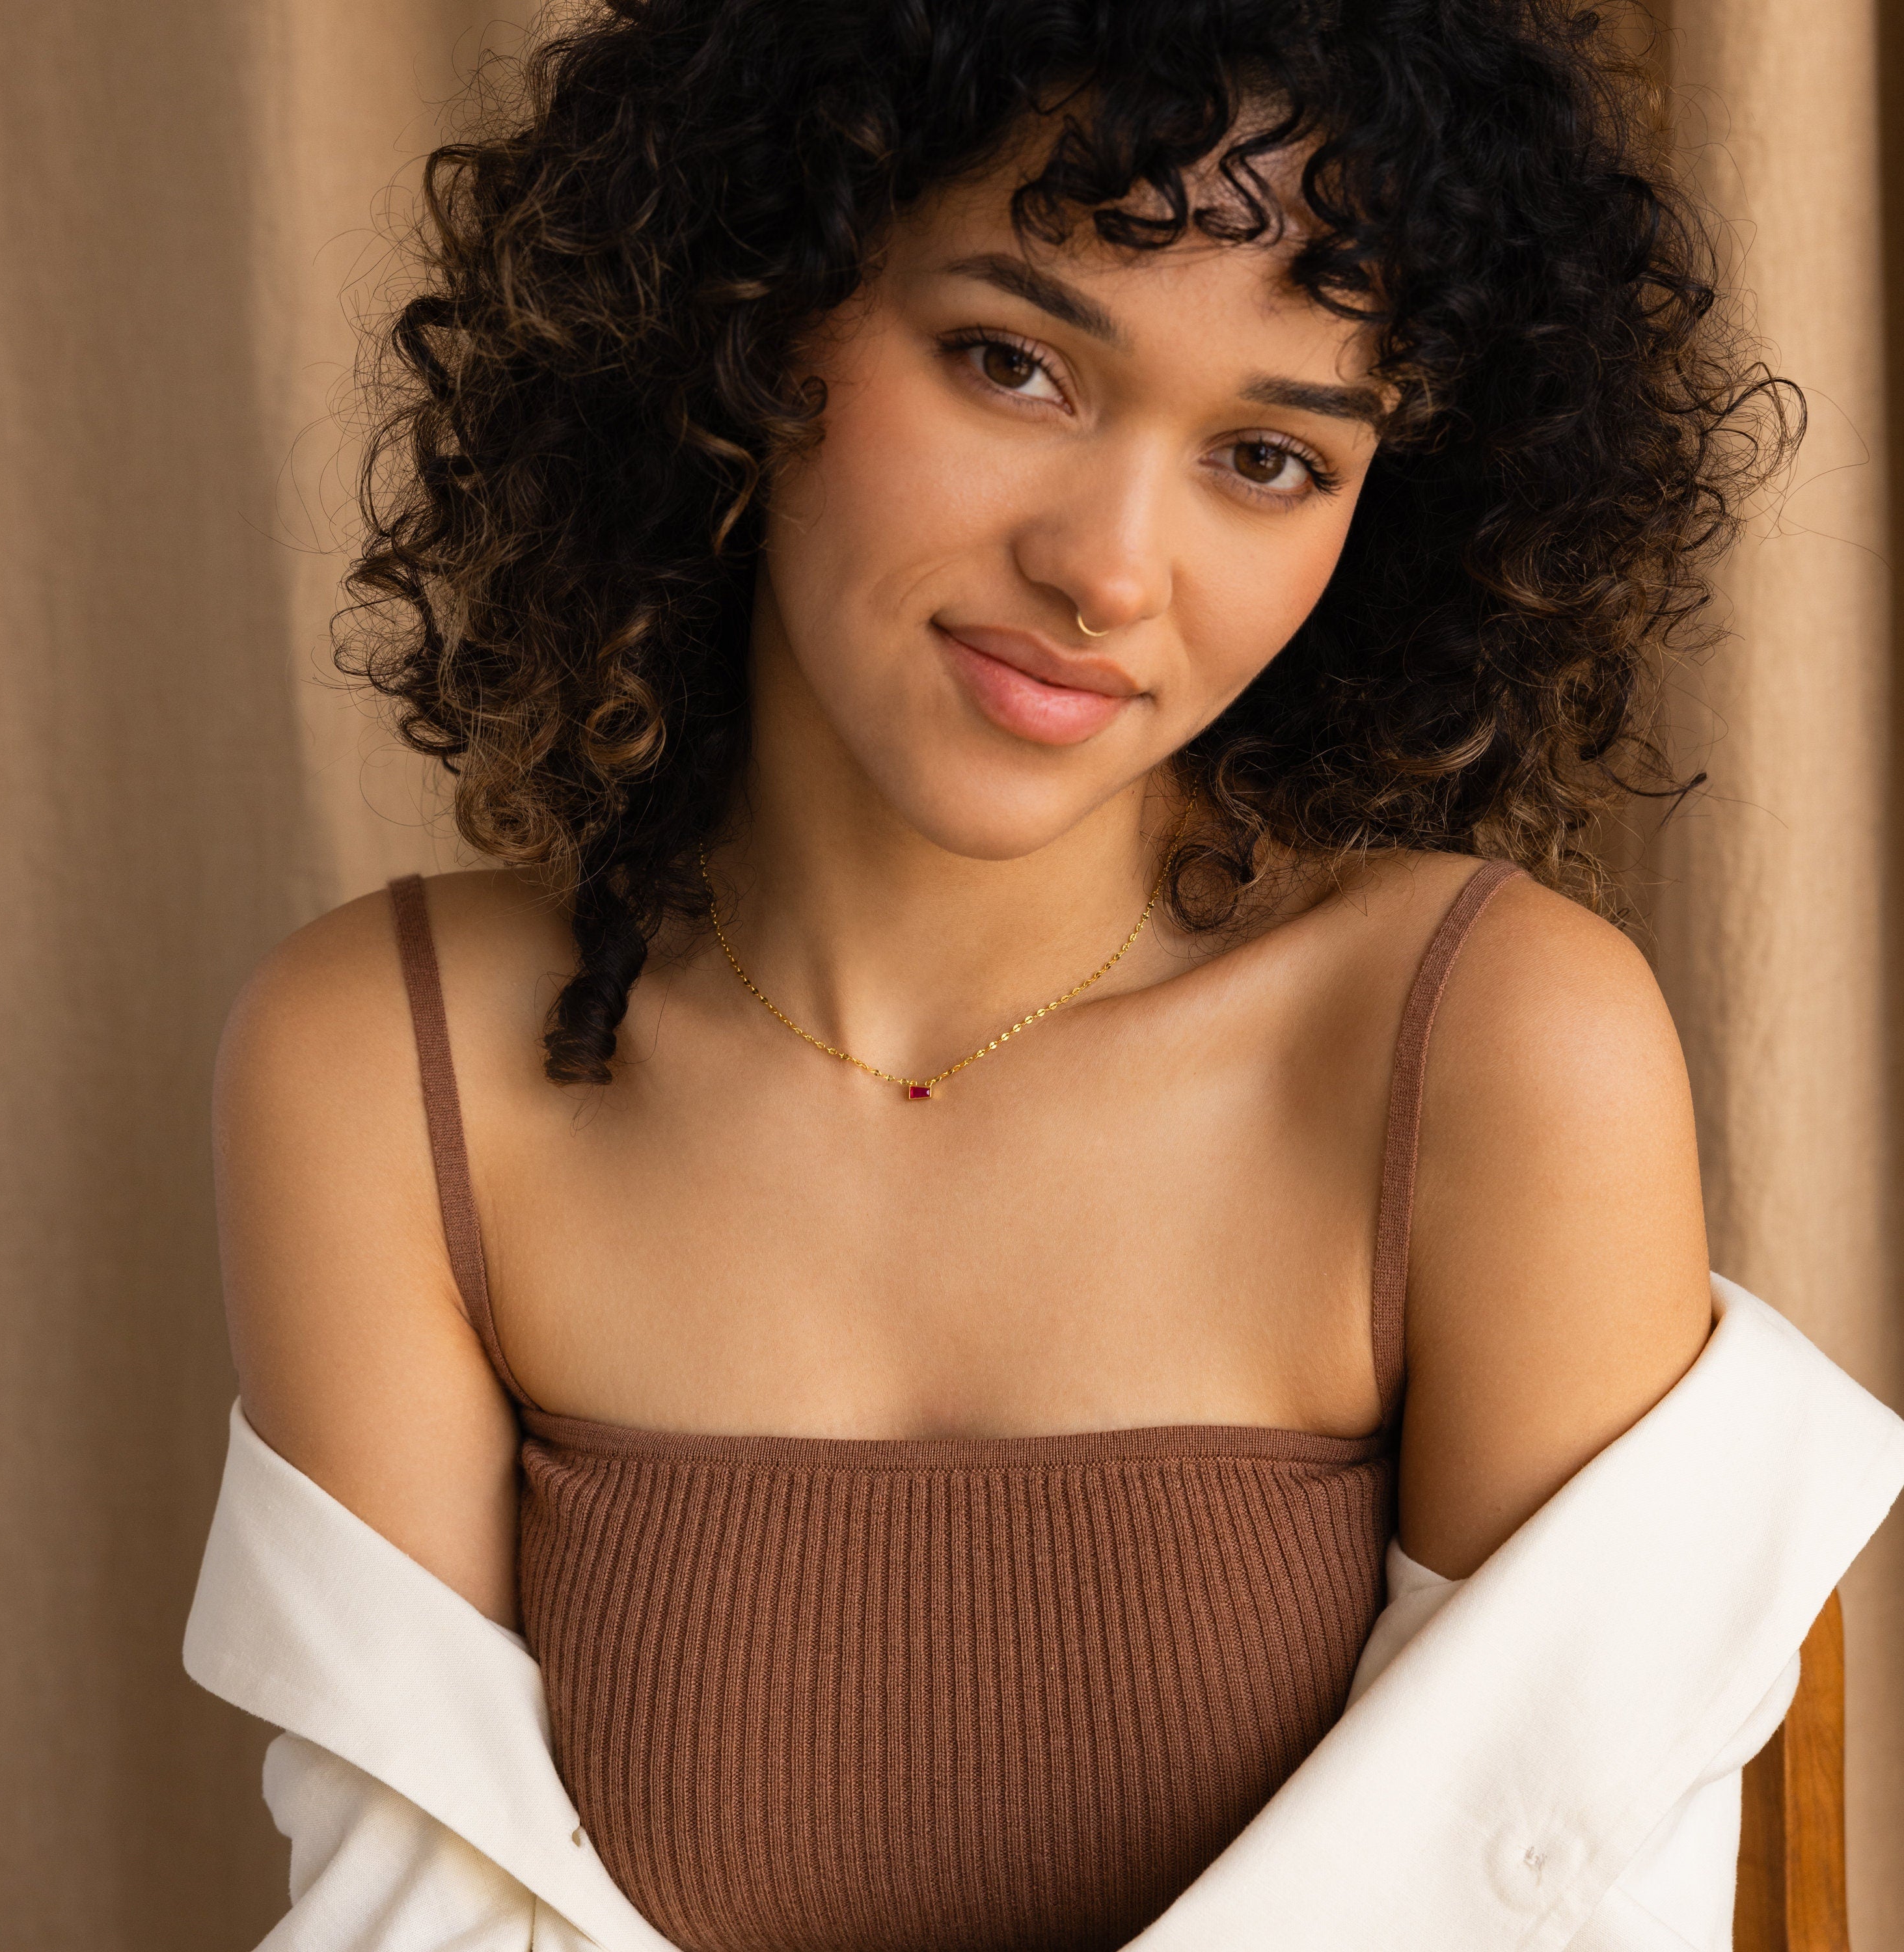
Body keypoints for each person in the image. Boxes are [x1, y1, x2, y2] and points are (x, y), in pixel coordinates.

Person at [184, 3, 1904, 1949]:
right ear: (753, 321)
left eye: (1267, 456)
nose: (1109, 567)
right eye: (1011, 363)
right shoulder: (392, 1069)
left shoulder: (1487, 1052)